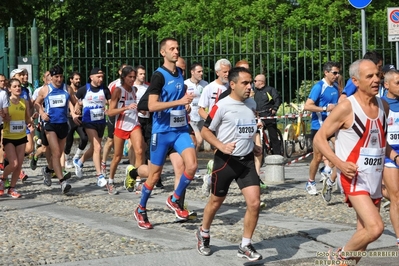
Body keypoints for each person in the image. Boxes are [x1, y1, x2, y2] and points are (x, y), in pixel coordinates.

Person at [314, 59, 399, 264]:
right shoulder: (346, 107)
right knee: (376, 228)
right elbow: (319, 138)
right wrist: (339, 163)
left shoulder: (383, 106)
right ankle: (336, 257)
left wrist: (395, 157)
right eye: (369, 76)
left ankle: (346, 262)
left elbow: (381, 142)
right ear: (356, 81)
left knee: (363, 235)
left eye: (377, 75)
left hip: (374, 176)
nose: (376, 80)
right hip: (353, 176)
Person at [195, 67, 263, 261]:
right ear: (232, 85)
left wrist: (254, 145)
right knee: (216, 202)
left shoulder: (251, 103)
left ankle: (245, 245)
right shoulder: (222, 105)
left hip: (247, 162)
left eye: (250, 83)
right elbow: (207, 131)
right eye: (245, 83)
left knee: (255, 203)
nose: (250, 87)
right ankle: (204, 232)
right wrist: (221, 146)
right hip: (226, 162)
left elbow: (246, 128)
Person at [133, 37, 197, 229]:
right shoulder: (158, 76)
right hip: (161, 132)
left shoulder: (179, 73)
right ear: (163, 52)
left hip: (179, 130)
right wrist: (178, 103)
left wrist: (185, 106)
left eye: (177, 48)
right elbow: (151, 105)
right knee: (154, 175)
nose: (176, 51)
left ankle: (175, 199)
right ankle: (141, 209)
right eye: (172, 49)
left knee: (192, 166)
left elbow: (179, 97)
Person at [34, 65, 74, 193]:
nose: (59, 79)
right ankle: (62, 182)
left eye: (61, 76)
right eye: (56, 77)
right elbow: (36, 103)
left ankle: (47, 170)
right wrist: (42, 113)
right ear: (51, 77)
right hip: (50, 124)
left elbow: (74, 101)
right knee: (56, 153)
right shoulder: (46, 89)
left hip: (63, 124)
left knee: (58, 154)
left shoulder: (67, 88)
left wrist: (77, 108)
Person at [303, 61, 340, 195]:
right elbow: (307, 106)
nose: (337, 75)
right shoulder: (319, 87)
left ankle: (327, 169)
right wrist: (325, 108)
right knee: (317, 158)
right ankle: (310, 182)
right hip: (319, 127)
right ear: (326, 72)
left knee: (341, 151)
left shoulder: (336, 86)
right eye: (334, 73)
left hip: (333, 127)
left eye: (338, 73)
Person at [107, 66, 143, 195]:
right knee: (117, 156)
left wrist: (140, 109)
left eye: (134, 77)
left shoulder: (135, 89)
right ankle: (110, 181)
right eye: (130, 77)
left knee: (139, 151)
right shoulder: (118, 90)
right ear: (124, 77)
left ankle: (137, 181)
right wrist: (126, 107)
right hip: (121, 125)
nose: (132, 80)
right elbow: (110, 112)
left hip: (134, 124)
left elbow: (135, 107)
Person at [73, 67, 111, 187]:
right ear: (91, 77)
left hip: (100, 121)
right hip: (88, 121)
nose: (101, 79)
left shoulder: (104, 89)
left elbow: (111, 102)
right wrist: (77, 106)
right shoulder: (84, 89)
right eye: (98, 77)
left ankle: (80, 162)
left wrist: (108, 108)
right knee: (98, 147)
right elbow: (74, 99)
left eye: (102, 77)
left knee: (95, 148)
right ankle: (99, 176)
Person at [380, 69, 399, 248]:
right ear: (386, 85)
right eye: (397, 83)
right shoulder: (381, 105)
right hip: (389, 153)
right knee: (396, 197)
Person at [101, 64, 127, 173]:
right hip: (115, 115)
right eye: (124, 70)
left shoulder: (132, 84)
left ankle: (134, 165)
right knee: (110, 140)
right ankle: (103, 162)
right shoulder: (114, 85)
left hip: (128, 116)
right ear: (120, 72)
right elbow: (108, 100)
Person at [253, 74, 282, 156]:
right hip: (257, 115)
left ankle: (277, 155)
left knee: (273, 135)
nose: (254, 82)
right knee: (255, 134)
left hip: (268, 115)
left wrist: (274, 109)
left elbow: (277, 99)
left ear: (261, 82)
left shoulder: (270, 90)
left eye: (255, 81)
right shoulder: (253, 91)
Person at [64, 71, 88, 169]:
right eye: (76, 79)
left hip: (80, 117)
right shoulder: (67, 90)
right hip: (69, 117)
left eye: (79, 79)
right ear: (71, 80)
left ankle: (76, 156)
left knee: (84, 138)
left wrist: (80, 104)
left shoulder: (82, 90)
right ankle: (66, 158)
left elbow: (86, 100)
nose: (78, 81)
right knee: (69, 139)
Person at [185, 62, 208, 152]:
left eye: (202, 71)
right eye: (199, 71)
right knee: (198, 140)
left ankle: (193, 159)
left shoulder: (205, 84)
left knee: (199, 143)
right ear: (192, 72)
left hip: (202, 118)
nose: (201, 73)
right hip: (191, 117)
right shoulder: (185, 84)